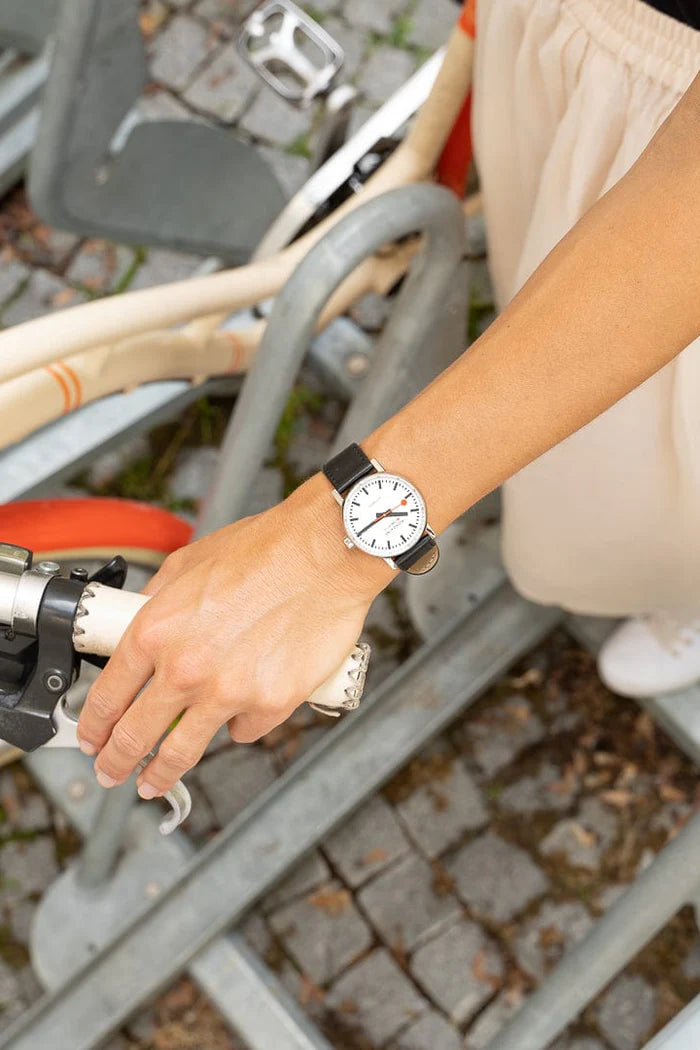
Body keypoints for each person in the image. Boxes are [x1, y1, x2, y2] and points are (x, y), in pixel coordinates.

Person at [76, 0, 700, 803]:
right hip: (571, 37)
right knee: (539, 275)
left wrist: (324, 550)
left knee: (653, 466)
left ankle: (681, 590)